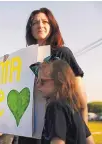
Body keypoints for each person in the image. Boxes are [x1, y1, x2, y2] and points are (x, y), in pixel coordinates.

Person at [19, 7, 88, 144]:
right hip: (28, 132)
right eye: (35, 22)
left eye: (45, 21)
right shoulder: (23, 60)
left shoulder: (63, 53)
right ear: (30, 29)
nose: (40, 25)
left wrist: (82, 135)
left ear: (52, 26)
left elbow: (81, 102)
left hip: (55, 129)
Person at [30, 59, 94, 144]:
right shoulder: (72, 106)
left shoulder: (55, 106)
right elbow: (90, 141)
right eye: (37, 82)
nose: (38, 86)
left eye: (42, 81)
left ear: (59, 78)